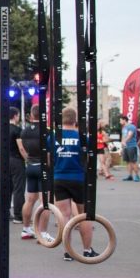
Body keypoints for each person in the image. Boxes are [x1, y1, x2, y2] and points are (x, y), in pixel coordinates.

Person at [52, 108, 98, 261]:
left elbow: (49, 158)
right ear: (75, 120)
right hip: (79, 178)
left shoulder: (53, 136)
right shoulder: (83, 137)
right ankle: (87, 250)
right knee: (84, 215)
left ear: (61, 119)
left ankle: (68, 252)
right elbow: (89, 160)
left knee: (64, 215)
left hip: (59, 178)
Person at [18, 105, 42, 240]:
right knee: (44, 202)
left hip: (30, 165)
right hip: (42, 166)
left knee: (30, 200)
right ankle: (42, 233)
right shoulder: (46, 131)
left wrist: (28, 159)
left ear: (32, 115)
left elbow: (22, 149)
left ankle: (26, 229)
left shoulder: (25, 131)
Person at [7, 107, 26, 223]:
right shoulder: (17, 130)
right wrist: (27, 159)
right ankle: (18, 215)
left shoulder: (2, 129)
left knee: (6, 188)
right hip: (16, 160)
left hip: (5, 160)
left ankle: (5, 213)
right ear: (15, 116)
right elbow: (21, 148)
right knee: (18, 188)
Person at [120, 115, 140, 182]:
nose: (120, 122)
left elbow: (130, 135)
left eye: (120, 120)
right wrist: (122, 147)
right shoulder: (124, 128)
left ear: (124, 120)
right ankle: (130, 176)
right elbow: (123, 137)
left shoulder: (131, 127)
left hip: (132, 146)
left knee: (133, 162)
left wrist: (125, 141)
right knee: (128, 162)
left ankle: (137, 176)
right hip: (126, 147)